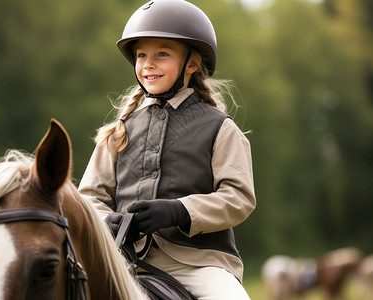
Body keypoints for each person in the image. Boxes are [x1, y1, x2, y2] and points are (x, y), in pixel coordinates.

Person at [78, 0, 256, 298]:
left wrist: (180, 211)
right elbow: (89, 197)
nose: (148, 64)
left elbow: (238, 198)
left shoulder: (221, 128)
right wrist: (106, 220)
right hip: (121, 259)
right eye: (141, 55)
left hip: (198, 265)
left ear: (192, 62)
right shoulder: (119, 130)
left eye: (162, 53)